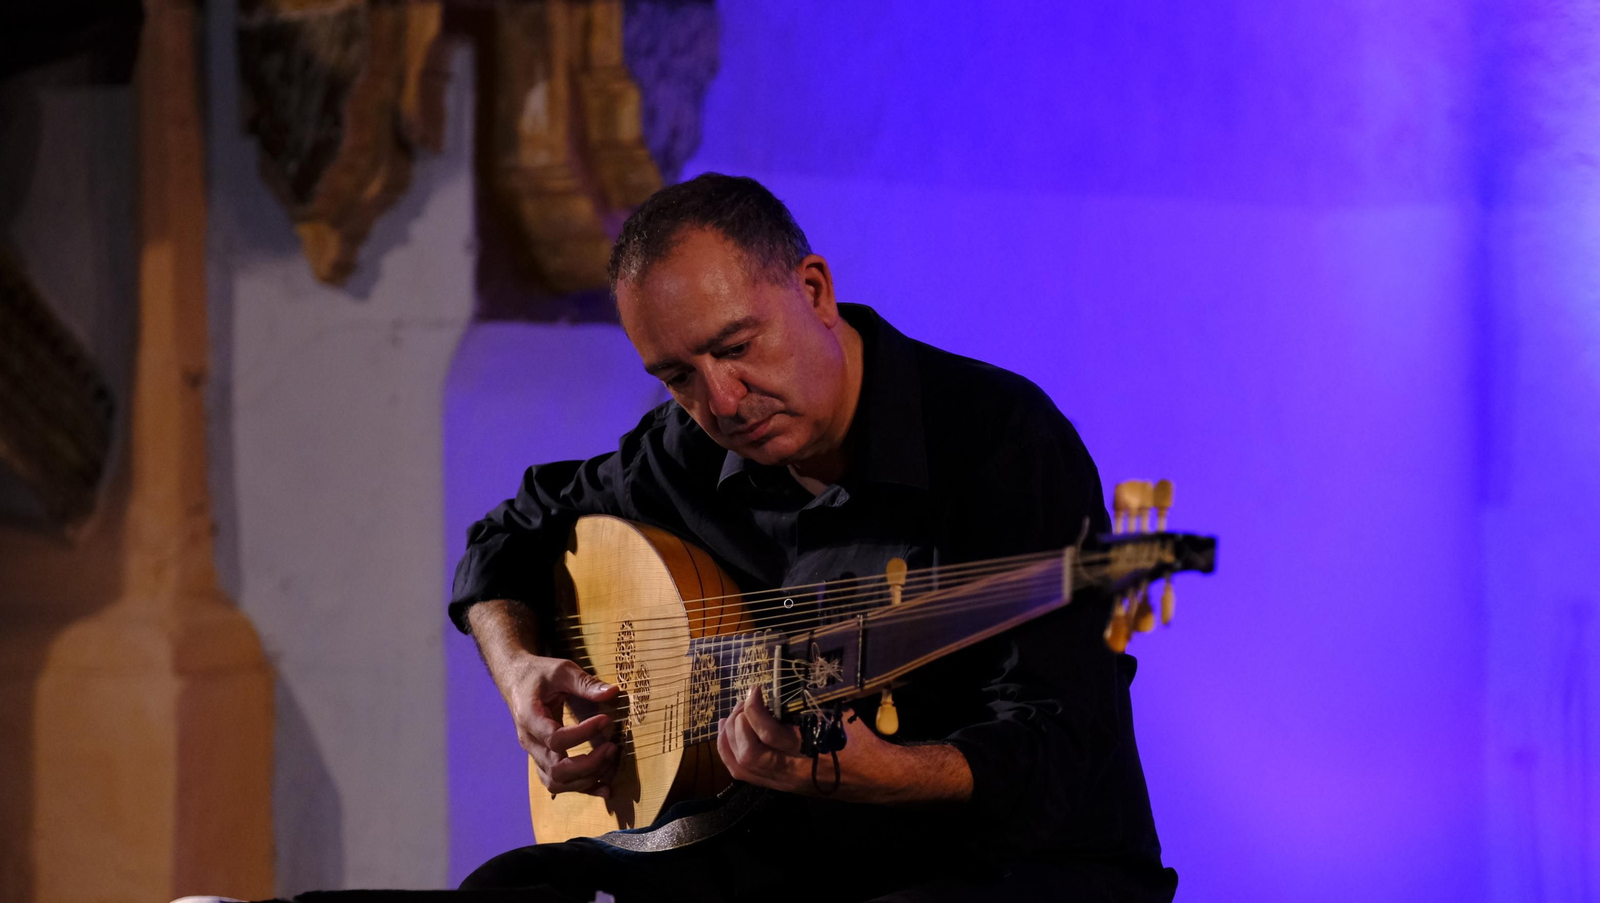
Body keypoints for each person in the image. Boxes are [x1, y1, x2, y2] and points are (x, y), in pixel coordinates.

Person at [450, 174, 1177, 902]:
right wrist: (518, 673)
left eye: (735, 345)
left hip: (1003, 863)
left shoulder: (1002, 443)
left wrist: (880, 774)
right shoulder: (685, 455)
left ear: (815, 290)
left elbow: (1058, 742)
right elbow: (508, 534)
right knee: (510, 888)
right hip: (775, 846)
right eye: (678, 376)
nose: (722, 401)